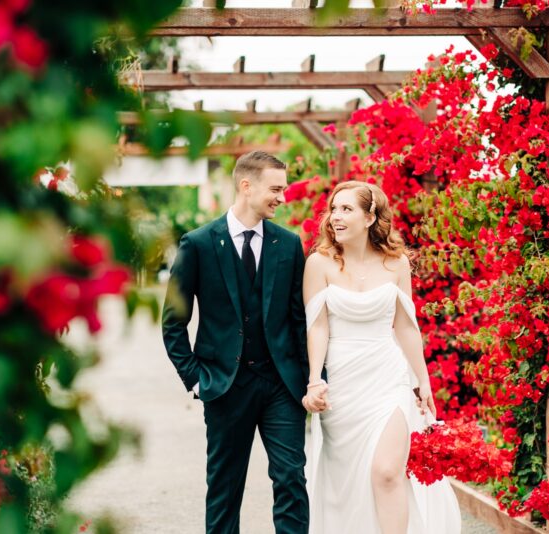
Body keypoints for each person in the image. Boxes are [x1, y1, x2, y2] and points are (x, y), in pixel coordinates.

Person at [162, 151, 309, 534]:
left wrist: (311, 378)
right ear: (247, 186)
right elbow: (173, 323)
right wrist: (196, 379)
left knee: (291, 478)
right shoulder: (198, 244)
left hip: (281, 384)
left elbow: (299, 320)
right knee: (225, 488)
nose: (282, 196)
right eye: (276, 188)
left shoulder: (289, 245)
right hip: (224, 385)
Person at [302, 180, 461, 533]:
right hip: (343, 384)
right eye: (334, 209)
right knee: (349, 479)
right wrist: (316, 380)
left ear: (370, 216)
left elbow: (405, 327)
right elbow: (317, 327)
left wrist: (423, 381)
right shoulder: (319, 263)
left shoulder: (396, 264)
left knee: (387, 471)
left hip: (388, 377)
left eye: (346, 209)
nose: (335, 217)